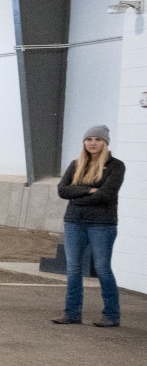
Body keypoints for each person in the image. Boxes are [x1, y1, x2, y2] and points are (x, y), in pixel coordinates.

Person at [54, 124, 125, 328]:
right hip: (74, 222)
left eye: (97, 139)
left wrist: (78, 196)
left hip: (102, 224)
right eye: (89, 139)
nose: (93, 143)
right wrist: (89, 191)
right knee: (74, 269)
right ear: (84, 142)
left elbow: (107, 194)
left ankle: (111, 315)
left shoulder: (116, 166)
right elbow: (62, 191)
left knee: (102, 268)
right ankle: (72, 314)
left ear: (105, 143)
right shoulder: (76, 164)